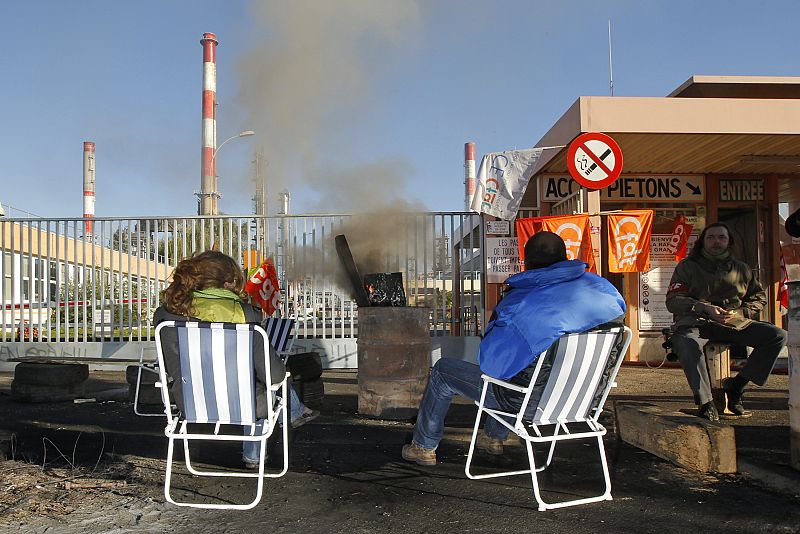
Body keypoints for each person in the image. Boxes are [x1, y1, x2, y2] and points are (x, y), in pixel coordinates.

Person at [402, 232, 626, 466]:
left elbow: (491, 365)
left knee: (445, 370)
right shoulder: (604, 290)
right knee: (522, 367)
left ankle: (423, 446)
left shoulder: (520, 302)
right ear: (565, 257)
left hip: (529, 405)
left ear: (527, 263)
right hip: (585, 399)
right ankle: (492, 437)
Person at [153, 250, 319, 469]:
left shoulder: (165, 314)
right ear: (230, 282)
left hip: (191, 402)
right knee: (260, 386)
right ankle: (254, 456)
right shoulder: (247, 315)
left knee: (256, 387)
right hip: (243, 404)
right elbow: (273, 374)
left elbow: (168, 364)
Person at [665, 222, 788, 421]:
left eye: (721, 237)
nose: (716, 242)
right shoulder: (687, 266)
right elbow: (673, 300)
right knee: (686, 342)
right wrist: (703, 308)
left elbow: (759, 298)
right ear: (702, 241)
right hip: (697, 323)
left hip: (732, 323)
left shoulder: (742, 269)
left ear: (729, 241)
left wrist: (739, 312)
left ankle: (737, 386)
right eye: (711, 237)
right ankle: (705, 402)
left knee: (777, 335)